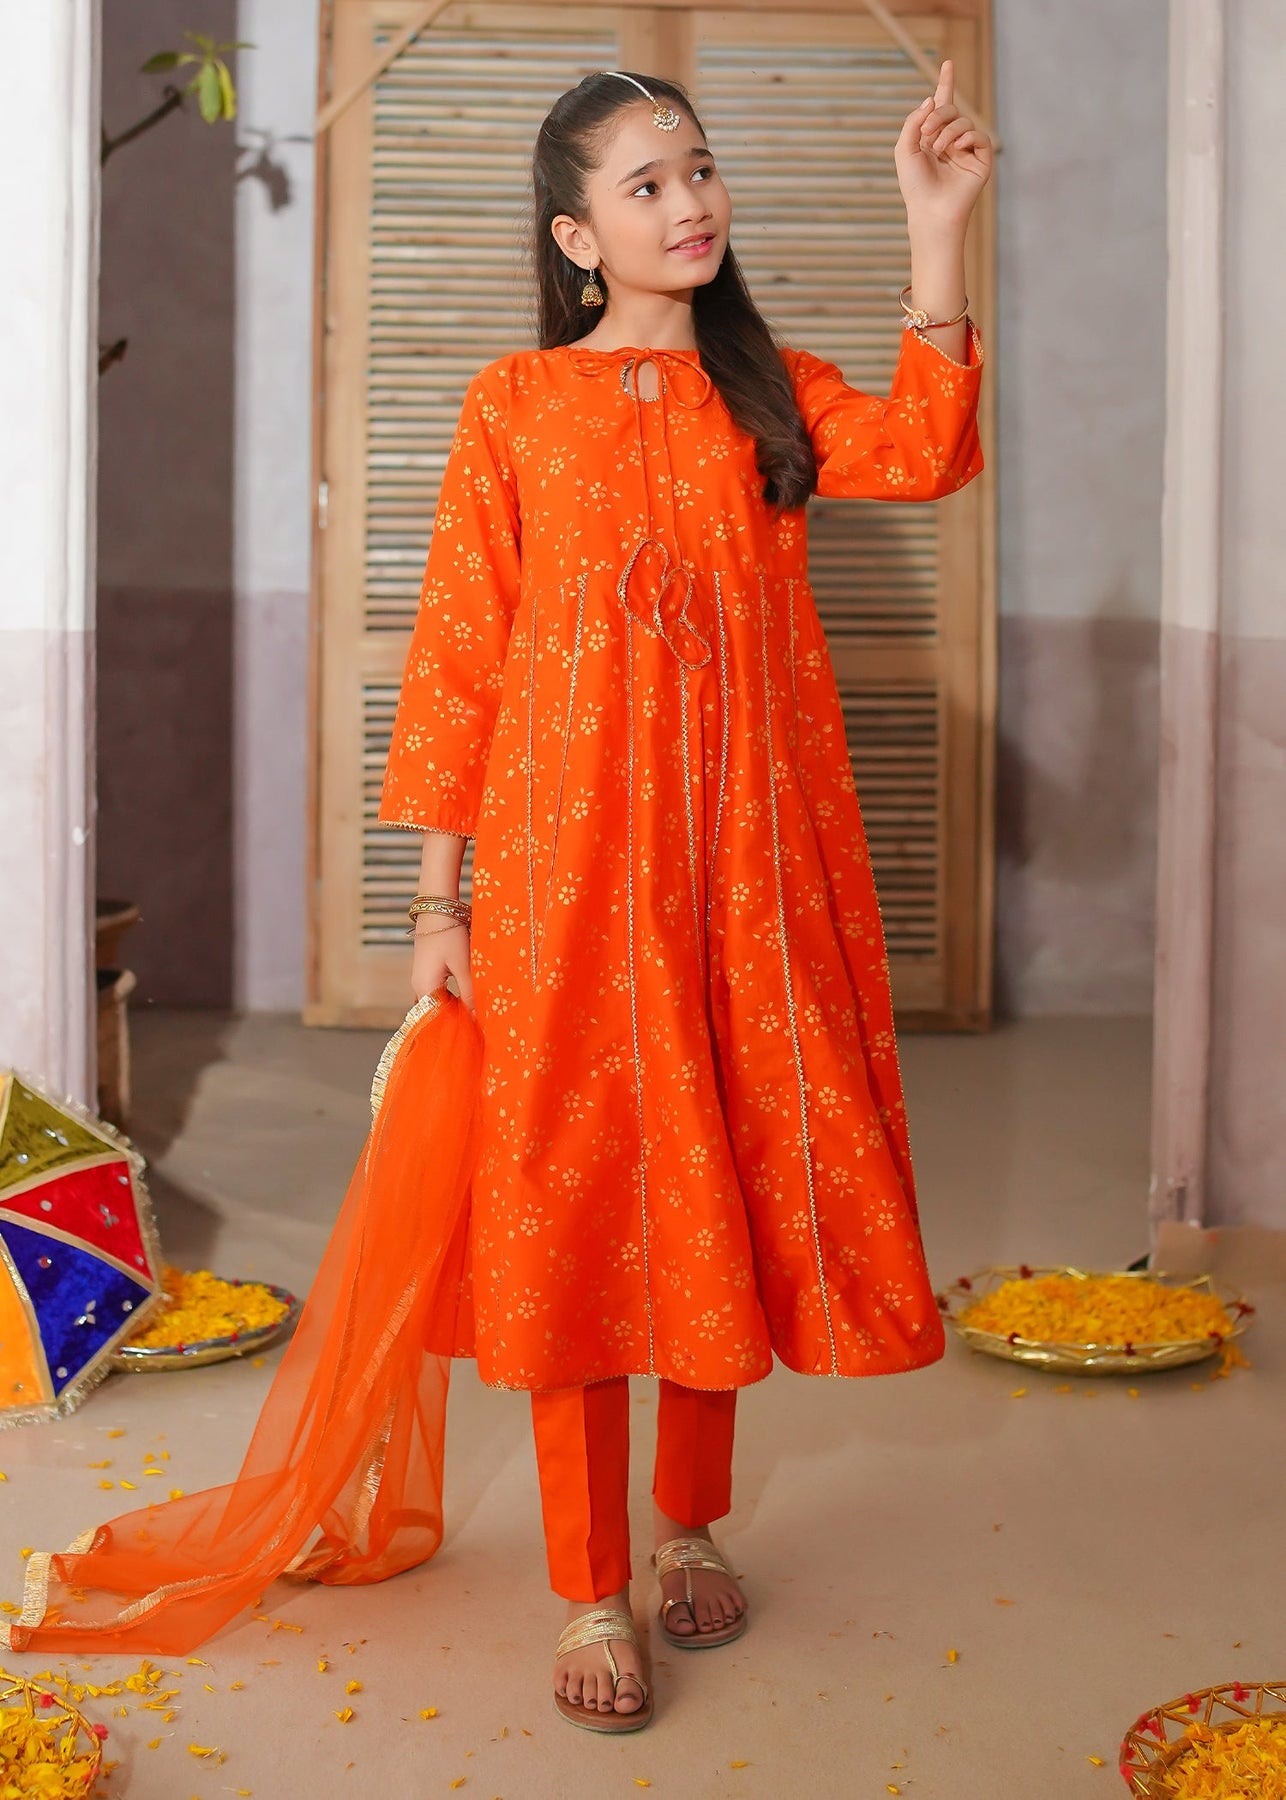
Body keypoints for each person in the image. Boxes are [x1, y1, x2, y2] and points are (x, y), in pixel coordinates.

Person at [380, 62, 991, 1732]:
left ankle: (686, 1523)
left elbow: (925, 453)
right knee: (574, 1201)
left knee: (716, 1170)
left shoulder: (770, 394)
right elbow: (458, 657)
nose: (689, 203)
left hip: (745, 874)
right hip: (564, 878)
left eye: (699, 171)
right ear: (577, 237)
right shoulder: (513, 404)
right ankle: (588, 1584)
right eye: (645, 186)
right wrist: (436, 906)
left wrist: (933, 230)